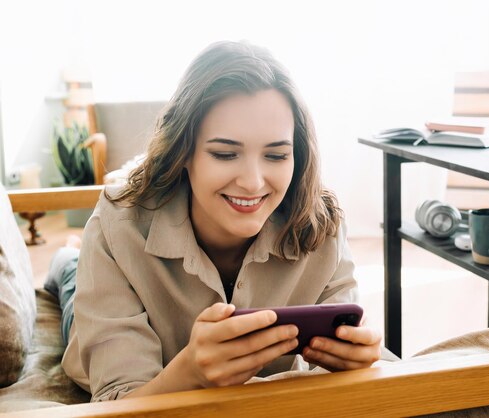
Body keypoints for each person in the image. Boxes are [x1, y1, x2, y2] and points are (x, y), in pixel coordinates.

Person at [45, 40, 383, 402]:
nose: (253, 182)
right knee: (72, 281)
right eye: (225, 153)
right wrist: (190, 372)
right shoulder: (117, 224)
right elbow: (119, 397)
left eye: (276, 155)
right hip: (89, 316)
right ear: (184, 150)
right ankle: (67, 260)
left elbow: (352, 351)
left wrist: (360, 359)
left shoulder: (321, 222)